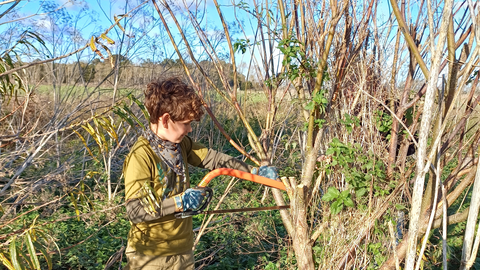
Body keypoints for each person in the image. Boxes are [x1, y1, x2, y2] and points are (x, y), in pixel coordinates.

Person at [123, 77, 278, 270]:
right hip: (150, 257)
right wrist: (180, 203)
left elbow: (214, 159)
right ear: (165, 120)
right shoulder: (141, 156)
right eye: (186, 123)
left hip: (183, 252)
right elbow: (135, 211)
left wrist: (254, 172)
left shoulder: (180, 145)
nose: (189, 129)